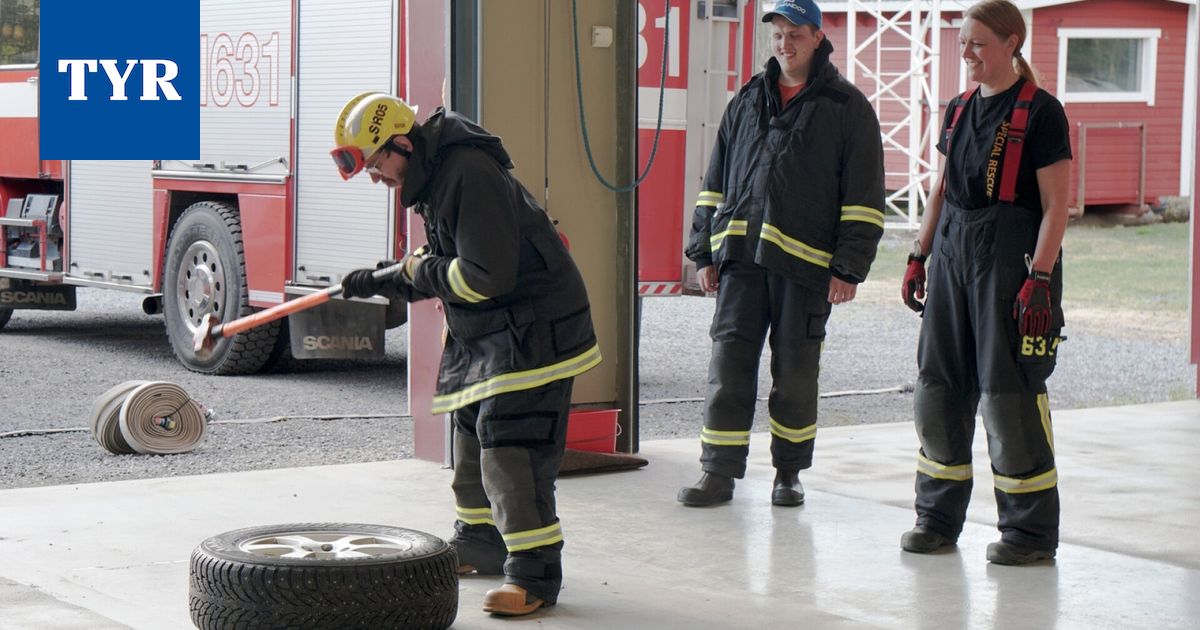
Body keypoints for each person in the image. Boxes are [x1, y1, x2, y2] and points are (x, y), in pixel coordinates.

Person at [330, 92, 602, 614]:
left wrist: (417, 271)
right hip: (494, 332)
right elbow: (444, 260)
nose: (376, 178)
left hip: (535, 334)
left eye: (377, 164)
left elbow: (485, 276)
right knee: (470, 432)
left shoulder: (468, 173)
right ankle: (480, 542)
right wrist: (384, 280)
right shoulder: (436, 176)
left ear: (404, 145)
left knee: (511, 447)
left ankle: (535, 574)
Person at [678, 0, 885, 508]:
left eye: (795, 33)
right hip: (741, 261)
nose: (784, 43)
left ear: (817, 38)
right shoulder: (748, 99)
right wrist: (703, 252)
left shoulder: (847, 107)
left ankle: (788, 474)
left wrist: (849, 267)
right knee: (728, 367)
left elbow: (864, 198)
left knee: (794, 374)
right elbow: (714, 183)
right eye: (778, 34)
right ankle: (717, 472)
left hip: (804, 267)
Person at [900, 0, 1071, 565]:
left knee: (1008, 396)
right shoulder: (957, 110)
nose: (966, 53)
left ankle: (1028, 534)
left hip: (1011, 268)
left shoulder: (1042, 112)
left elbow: (1056, 206)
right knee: (938, 389)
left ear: (1010, 43)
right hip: (952, 258)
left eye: (977, 43)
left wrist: (1039, 277)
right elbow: (941, 189)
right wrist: (918, 255)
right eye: (963, 43)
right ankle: (935, 518)